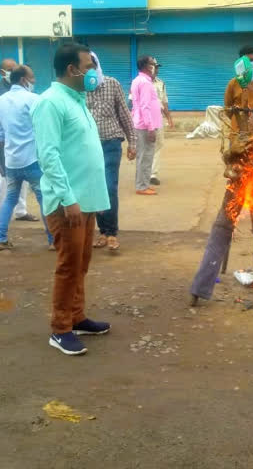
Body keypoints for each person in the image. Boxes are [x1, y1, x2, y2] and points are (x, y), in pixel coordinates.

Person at [190, 45, 253, 305]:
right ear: (239, 64)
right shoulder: (233, 84)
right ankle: (202, 285)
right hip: (238, 154)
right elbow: (227, 112)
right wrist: (240, 113)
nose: (251, 66)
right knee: (224, 222)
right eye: (247, 62)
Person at [33, 43, 111, 356]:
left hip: (86, 199)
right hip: (68, 203)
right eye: (89, 65)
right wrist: (68, 198)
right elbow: (48, 155)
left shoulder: (77, 100)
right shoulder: (50, 103)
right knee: (69, 266)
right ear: (72, 69)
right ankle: (61, 328)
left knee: (82, 263)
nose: (93, 72)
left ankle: (77, 317)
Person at [0, 65, 53, 251]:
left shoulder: (0, 102)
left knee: (10, 198)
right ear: (24, 80)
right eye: (32, 77)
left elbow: (0, 136)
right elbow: (44, 128)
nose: (34, 81)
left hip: (12, 160)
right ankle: (53, 239)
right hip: (32, 159)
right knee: (44, 199)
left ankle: (0, 238)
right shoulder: (34, 99)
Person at [86, 52, 137, 252]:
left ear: (97, 65)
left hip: (110, 144)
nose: (88, 70)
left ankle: (112, 233)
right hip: (88, 147)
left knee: (109, 187)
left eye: (92, 65)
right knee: (94, 188)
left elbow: (124, 114)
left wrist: (132, 142)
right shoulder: (79, 90)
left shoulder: (112, 84)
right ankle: (102, 231)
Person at [0, 58, 37, 229]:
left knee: (21, 182)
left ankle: (21, 211)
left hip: (19, 143)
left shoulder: (26, 93)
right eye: (10, 68)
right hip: (2, 143)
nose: (14, 70)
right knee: (0, 179)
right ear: (2, 72)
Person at [130, 55, 163, 196]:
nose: (154, 66)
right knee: (146, 156)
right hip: (145, 126)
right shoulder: (145, 83)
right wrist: (150, 128)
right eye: (152, 63)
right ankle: (142, 186)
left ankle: (142, 184)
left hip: (141, 123)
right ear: (146, 66)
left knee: (143, 156)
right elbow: (145, 106)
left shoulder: (138, 80)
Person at [150, 60, 174, 186]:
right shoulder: (139, 82)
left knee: (158, 144)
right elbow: (132, 102)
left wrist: (169, 118)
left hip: (157, 118)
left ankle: (153, 174)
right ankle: (144, 173)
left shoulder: (161, 83)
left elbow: (164, 101)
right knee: (145, 146)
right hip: (144, 120)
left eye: (157, 67)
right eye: (154, 67)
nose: (156, 69)